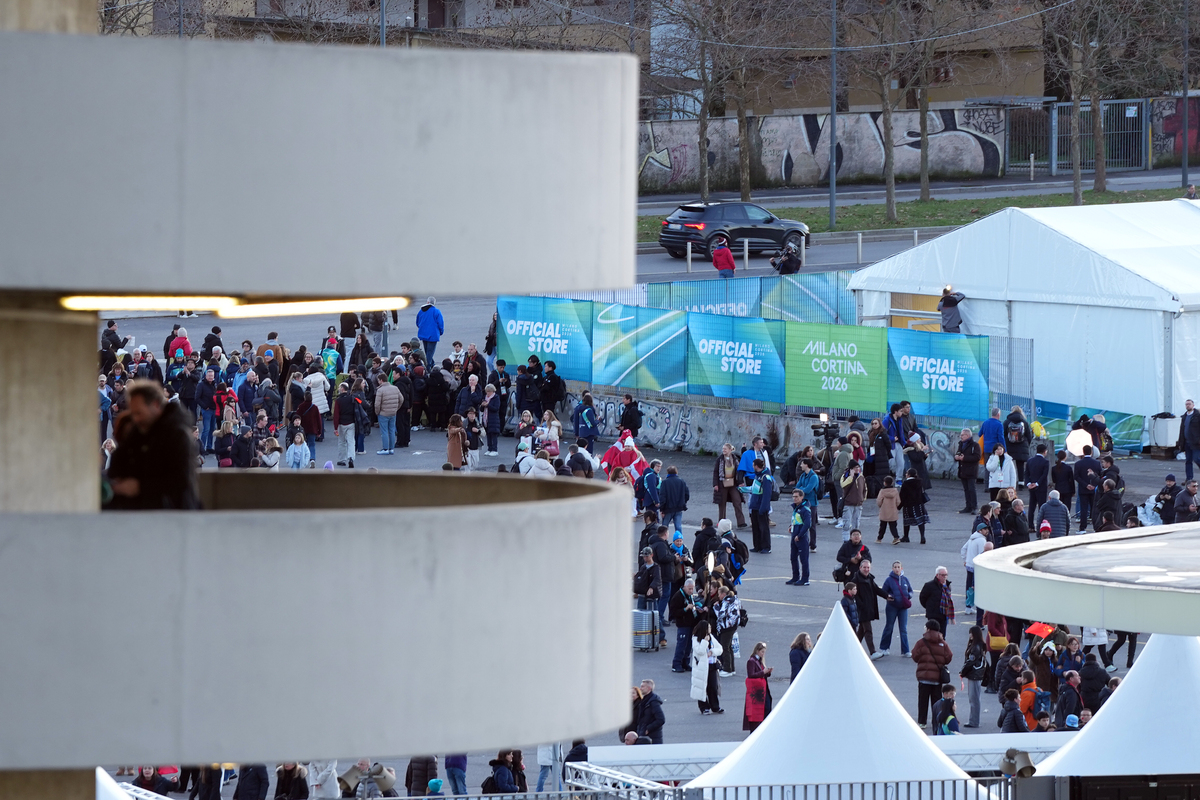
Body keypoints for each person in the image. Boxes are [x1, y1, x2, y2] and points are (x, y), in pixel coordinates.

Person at [105, 381, 199, 510]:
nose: (135, 419)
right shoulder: (139, 431)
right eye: (133, 413)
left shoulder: (178, 435)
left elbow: (181, 480)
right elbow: (120, 461)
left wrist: (139, 487)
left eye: (139, 413)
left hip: (173, 512)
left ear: (155, 405)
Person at [912, 619, 953, 728]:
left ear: (928, 629)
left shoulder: (921, 642)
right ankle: (937, 721)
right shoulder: (943, 643)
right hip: (937, 678)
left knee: (923, 701)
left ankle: (922, 722)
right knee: (936, 702)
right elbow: (948, 657)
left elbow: (915, 656)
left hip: (924, 677)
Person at [852, 560, 888, 658]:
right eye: (864, 567)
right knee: (868, 630)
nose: (866, 569)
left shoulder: (870, 578)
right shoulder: (856, 580)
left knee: (861, 631)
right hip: (862, 609)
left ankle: (852, 648)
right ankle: (872, 652)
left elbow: (876, 589)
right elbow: (855, 595)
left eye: (868, 567)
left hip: (868, 608)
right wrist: (861, 605)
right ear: (860, 568)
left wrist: (886, 596)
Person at [690, 620, 724, 714]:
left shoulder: (711, 637)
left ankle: (715, 707)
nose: (710, 629)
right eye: (708, 627)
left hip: (712, 666)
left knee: (713, 687)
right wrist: (705, 641)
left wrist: (712, 652)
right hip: (701, 667)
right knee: (702, 687)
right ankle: (704, 707)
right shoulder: (695, 639)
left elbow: (720, 649)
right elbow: (700, 651)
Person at [670, 578, 702, 673]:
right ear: (684, 587)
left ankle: (685, 663)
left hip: (691, 624)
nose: (691, 591)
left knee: (689, 646)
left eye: (692, 588)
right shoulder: (678, 597)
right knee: (681, 645)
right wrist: (685, 609)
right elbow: (673, 612)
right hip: (683, 624)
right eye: (689, 589)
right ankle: (676, 664)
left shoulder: (689, 596)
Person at [713, 443, 748, 529]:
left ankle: (741, 522)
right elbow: (716, 472)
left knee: (737, 501)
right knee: (722, 504)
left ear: (730, 450)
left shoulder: (735, 459)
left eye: (725, 449)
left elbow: (739, 471)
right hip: (722, 483)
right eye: (723, 449)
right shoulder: (720, 459)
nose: (723, 450)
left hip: (733, 483)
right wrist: (715, 484)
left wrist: (740, 482)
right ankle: (721, 522)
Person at [960, 625, 989, 728]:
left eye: (971, 633)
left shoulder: (975, 647)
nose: (970, 635)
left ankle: (974, 721)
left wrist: (963, 672)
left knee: (974, 699)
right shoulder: (978, 645)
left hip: (974, 675)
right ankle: (973, 720)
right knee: (974, 698)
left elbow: (970, 661)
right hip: (976, 674)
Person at [743, 642, 774, 731]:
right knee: (758, 709)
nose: (763, 654)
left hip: (762, 687)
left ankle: (764, 725)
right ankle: (759, 727)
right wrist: (763, 672)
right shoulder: (751, 661)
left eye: (764, 652)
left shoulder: (759, 660)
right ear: (757, 651)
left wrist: (767, 672)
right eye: (762, 652)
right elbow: (751, 674)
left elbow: (761, 673)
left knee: (766, 706)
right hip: (757, 688)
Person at [785, 489, 812, 586]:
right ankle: (795, 577)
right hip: (794, 536)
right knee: (793, 557)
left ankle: (805, 579)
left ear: (802, 497)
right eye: (793, 496)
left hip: (801, 538)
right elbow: (796, 520)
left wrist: (799, 535)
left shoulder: (805, 509)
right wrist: (791, 526)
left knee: (803, 559)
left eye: (796, 497)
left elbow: (807, 524)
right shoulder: (796, 508)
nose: (794, 498)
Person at [951, 428, 982, 514]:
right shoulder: (961, 444)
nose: (960, 436)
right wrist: (956, 457)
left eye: (962, 435)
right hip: (963, 470)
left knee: (972, 489)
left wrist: (964, 458)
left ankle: (974, 507)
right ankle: (968, 506)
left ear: (967, 435)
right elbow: (958, 453)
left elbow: (977, 457)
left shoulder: (975, 445)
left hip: (971, 471)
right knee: (966, 489)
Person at [747, 458, 774, 554]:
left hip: (761, 506)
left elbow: (767, 494)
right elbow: (754, 489)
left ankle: (766, 547)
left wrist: (764, 507)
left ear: (756, 466)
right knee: (755, 527)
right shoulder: (757, 476)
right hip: (755, 505)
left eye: (753, 465)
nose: (752, 467)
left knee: (763, 528)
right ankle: (757, 546)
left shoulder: (766, 477)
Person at [1073, 445, 1103, 528]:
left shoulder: (1078, 464)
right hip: (1094, 489)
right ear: (1091, 452)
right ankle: (1096, 525)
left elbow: (1076, 476)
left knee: (1083, 508)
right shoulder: (1097, 463)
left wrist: (1086, 485)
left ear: (1083, 452)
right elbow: (1100, 475)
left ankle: (1082, 527)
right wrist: (1094, 484)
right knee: (1094, 508)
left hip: (1083, 489)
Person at [898, 468, 929, 544]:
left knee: (907, 521)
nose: (906, 474)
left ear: (909, 475)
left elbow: (902, 496)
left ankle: (906, 536)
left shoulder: (906, 483)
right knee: (920, 521)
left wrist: (899, 506)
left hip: (908, 505)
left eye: (906, 473)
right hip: (919, 504)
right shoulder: (919, 482)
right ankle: (922, 536)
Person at [919, 566, 954, 633]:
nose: (945, 577)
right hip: (933, 615)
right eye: (943, 575)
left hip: (944, 614)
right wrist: (930, 607)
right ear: (937, 575)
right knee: (932, 634)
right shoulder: (929, 585)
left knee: (942, 635)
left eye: (946, 575)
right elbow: (922, 598)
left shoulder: (947, 585)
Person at [840, 460, 866, 537]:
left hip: (858, 504)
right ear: (851, 469)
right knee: (847, 525)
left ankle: (855, 540)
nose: (857, 469)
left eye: (858, 467)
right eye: (855, 467)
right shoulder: (845, 476)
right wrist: (850, 477)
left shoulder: (861, 477)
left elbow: (865, 489)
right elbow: (843, 485)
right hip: (848, 504)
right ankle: (846, 540)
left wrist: (862, 498)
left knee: (856, 525)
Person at [635, 678, 665, 744]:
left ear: (649, 688)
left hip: (652, 739)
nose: (640, 689)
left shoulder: (653, 702)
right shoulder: (644, 701)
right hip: (645, 737)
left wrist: (648, 729)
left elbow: (661, 719)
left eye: (642, 686)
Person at [1025, 443, 1050, 522]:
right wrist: (1037, 483)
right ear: (1045, 451)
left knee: (1031, 506)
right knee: (1041, 507)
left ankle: (1030, 524)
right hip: (1041, 487)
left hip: (1031, 486)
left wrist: (1029, 483)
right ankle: (1041, 523)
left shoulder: (1030, 460)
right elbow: (1044, 475)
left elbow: (1026, 474)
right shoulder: (1045, 462)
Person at [416, 297, 444, 363]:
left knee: (427, 352)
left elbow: (417, 322)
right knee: (430, 353)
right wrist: (441, 332)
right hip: (433, 335)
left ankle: (431, 364)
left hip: (423, 334)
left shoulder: (421, 311)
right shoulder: (436, 311)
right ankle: (428, 366)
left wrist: (422, 328)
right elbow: (440, 323)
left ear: (427, 302)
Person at [1177, 399, 1200, 480]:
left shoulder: (1197, 416)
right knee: (1188, 461)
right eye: (1186, 404)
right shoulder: (1184, 417)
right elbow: (1182, 430)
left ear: (1193, 405)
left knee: (1196, 459)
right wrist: (1180, 442)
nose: (1188, 405)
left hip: (1196, 442)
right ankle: (1189, 479)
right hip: (1186, 442)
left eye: (1189, 404)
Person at [874, 474, 901, 543]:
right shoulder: (895, 491)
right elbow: (898, 501)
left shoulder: (882, 491)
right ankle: (896, 537)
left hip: (884, 511)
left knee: (882, 526)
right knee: (893, 526)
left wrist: (881, 506)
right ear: (892, 483)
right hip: (893, 511)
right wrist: (896, 506)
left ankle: (879, 539)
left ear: (884, 483)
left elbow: (879, 501)